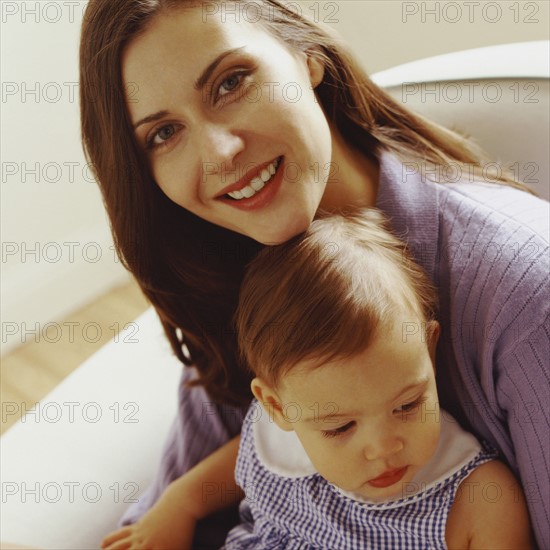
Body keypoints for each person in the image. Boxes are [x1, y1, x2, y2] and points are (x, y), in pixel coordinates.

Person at [79, 0, 549, 547]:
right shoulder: (233, 272)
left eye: (231, 82)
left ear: (307, 57)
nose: (219, 154)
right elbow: (163, 514)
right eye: (163, 133)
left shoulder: (524, 295)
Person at [101, 210, 534, 549]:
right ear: (277, 408)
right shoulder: (275, 437)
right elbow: (237, 463)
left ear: (429, 349)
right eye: (339, 427)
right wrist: (178, 505)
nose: (384, 447)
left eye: (407, 405)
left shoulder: (479, 500)